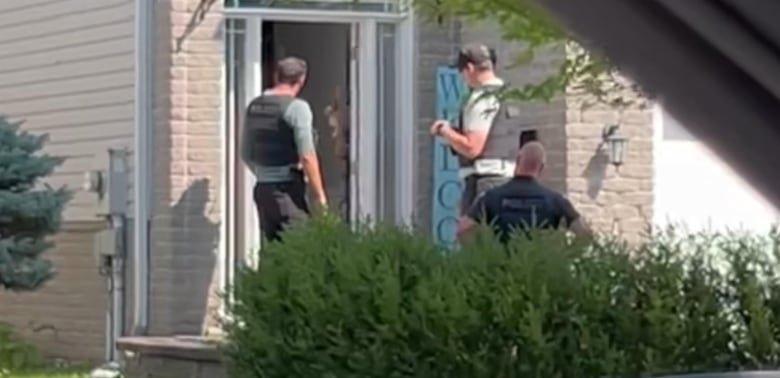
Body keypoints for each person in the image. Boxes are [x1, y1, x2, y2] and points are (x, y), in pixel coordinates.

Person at [241, 57, 328, 242]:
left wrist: (265, 173)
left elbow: (246, 154)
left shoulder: (254, 106)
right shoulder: (297, 108)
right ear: (302, 80)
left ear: (276, 76)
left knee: (272, 251)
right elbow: (307, 156)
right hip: (287, 189)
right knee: (300, 250)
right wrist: (319, 197)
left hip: (262, 190)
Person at [430, 42, 523, 215]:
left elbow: (473, 148)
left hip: (484, 182)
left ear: (470, 68)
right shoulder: (507, 94)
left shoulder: (482, 99)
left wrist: (445, 131)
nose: (462, 77)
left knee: (474, 237)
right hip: (508, 179)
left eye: (462, 71)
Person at [457, 142, 591, 243]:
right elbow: (585, 233)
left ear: (517, 161)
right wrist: (565, 255)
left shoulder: (491, 197)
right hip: (543, 270)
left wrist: (482, 254)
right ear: (542, 168)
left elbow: (463, 229)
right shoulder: (556, 200)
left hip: (501, 270)